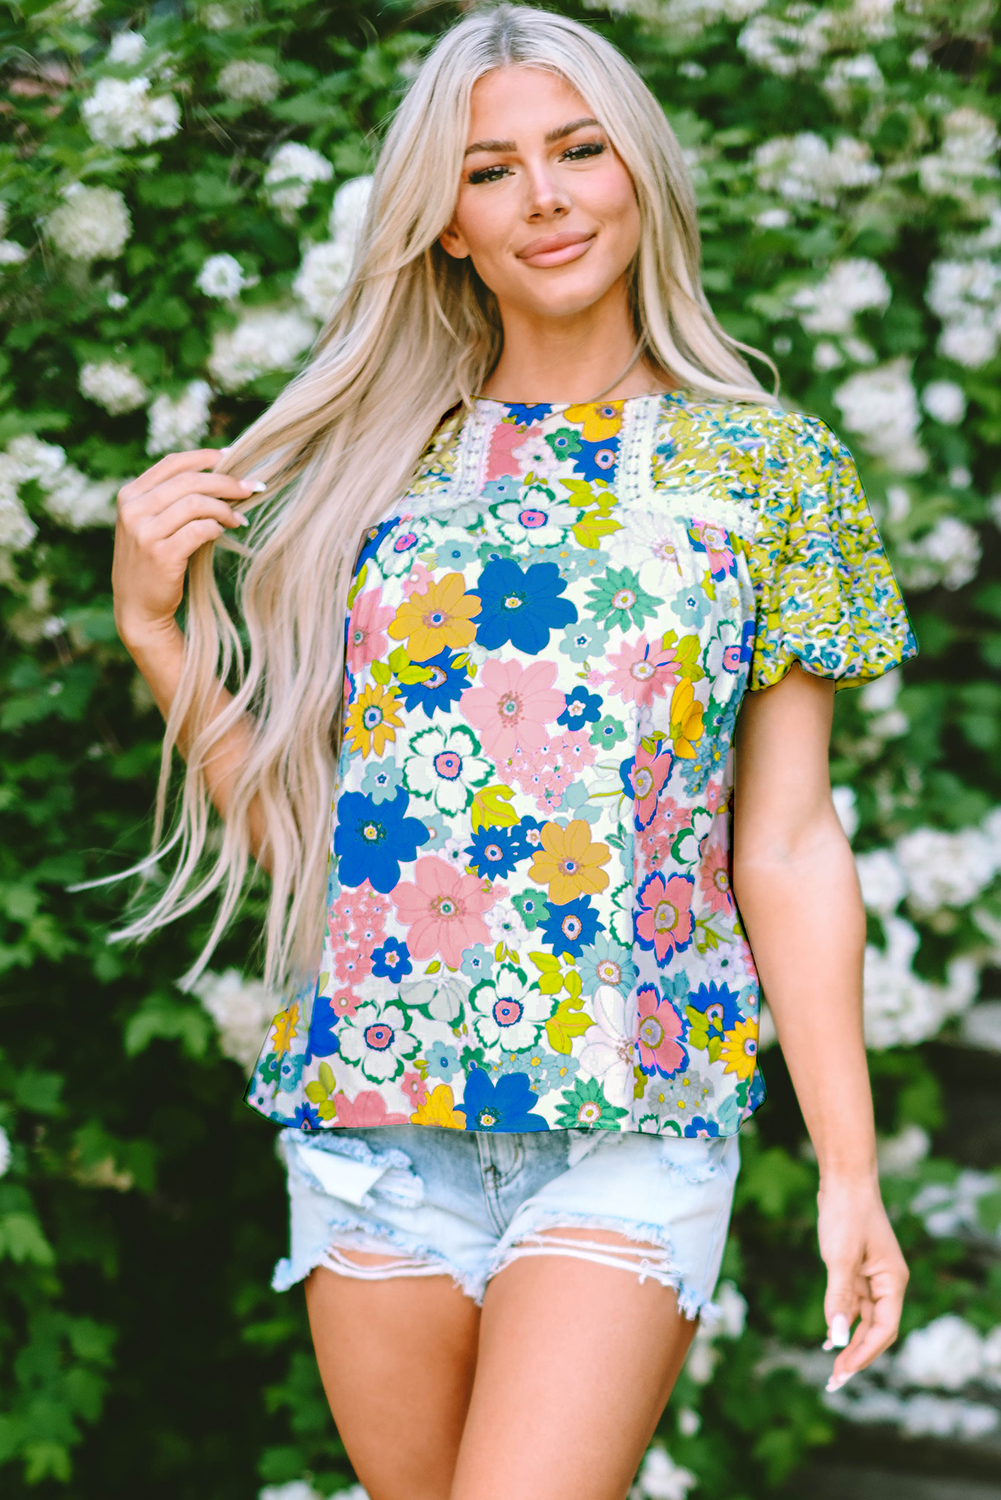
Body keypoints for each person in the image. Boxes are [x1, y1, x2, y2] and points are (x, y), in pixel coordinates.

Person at [111, 6, 916, 1498]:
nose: (545, 197)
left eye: (578, 150)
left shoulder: (771, 470)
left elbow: (789, 843)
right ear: (447, 224)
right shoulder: (367, 471)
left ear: (639, 172)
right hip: (373, 1125)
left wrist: (850, 1174)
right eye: (491, 171)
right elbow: (323, 847)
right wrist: (160, 637)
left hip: (632, 1119)